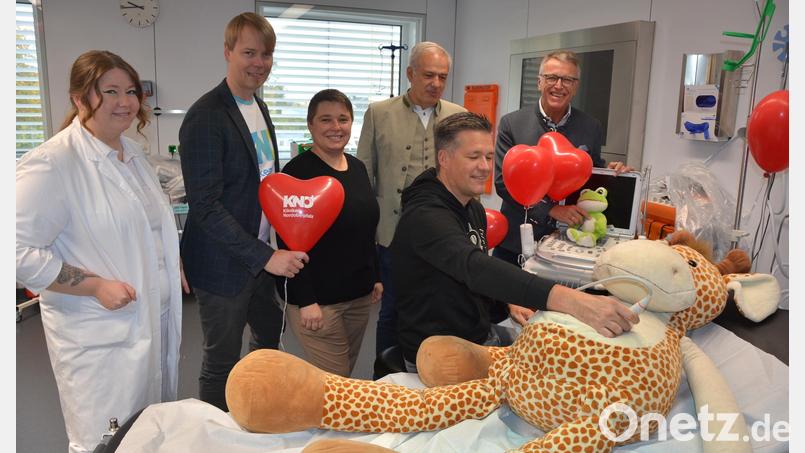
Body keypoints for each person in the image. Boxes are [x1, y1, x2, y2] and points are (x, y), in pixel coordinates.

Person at [16, 50, 185, 453]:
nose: (125, 102)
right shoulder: (53, 163)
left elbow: (145, 227)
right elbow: (15, 250)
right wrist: (94, 286)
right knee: (102, 441)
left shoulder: (133, 156)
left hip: (151, 324)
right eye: (109, 91)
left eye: (130, 91)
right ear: (79, 98)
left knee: (147, 434)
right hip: (100, 337)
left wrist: (168, 261)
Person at [390, 112, 639, 371]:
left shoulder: (470, 207)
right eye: (473, 157)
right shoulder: (425, 214)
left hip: (477, 336)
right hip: (437, 353)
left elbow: (469, 279)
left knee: (564, 357)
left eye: (488, 156)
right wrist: (574, 301)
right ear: (444, 158)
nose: (485, 167)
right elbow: (473, 267)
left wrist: (507, 302)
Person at [179, 12, 308, 411]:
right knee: (221, 359)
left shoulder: (258, 107)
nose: (259, 62)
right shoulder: (206, 115)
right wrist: (266, 256)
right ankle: (215, 434)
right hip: (223, 263)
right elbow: (205, 206)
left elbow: (263, 182)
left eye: (266, 54)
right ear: (227, 52)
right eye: (249, 52)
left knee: (268, 335)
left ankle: (254, 407)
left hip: (259, 255)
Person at [357, 42, 466, 362]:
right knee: (391, 308)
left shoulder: (459, 117)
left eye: (442, 77)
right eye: (428, 75)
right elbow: (365, 174)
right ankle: (385, 373)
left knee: (438, 307)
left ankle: (429, 373)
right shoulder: (379, 113)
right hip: (392, 232)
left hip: (442, 233)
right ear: (410, 74)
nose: (435, 83)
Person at [493, 50, 634, 294]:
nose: (559, 86)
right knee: (506, 311)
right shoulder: (512, 124)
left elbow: (587, 174)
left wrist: (611, 172)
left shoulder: (591, 126)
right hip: (516, 243)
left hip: (569, 247)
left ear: (576, 86)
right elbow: (502, 183)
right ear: (539, 82)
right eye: (552, 78)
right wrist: (550, 210)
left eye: (567, 80)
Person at [278, 89, 382, 377]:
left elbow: (365, 227)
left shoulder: (358, 168)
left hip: (359, 296)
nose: (336, 127)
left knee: (341, 377)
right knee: (335, 385)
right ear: (311, 125)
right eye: (326, 120)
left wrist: (374, 277)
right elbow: (288, 243)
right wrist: (306, 301)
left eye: (343, 119)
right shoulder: (297, 172)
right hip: (319, 303)